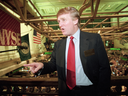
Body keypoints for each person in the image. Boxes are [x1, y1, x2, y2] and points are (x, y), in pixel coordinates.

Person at [24, 7, 111, 96]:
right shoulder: (59, 44)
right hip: (66, 92)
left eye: (63, 20)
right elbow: (53, 64)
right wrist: (42, 66)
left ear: (75, 21)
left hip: (90, 92)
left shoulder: (94, 39)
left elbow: (104, 68)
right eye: (59, 21)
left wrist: (102, 92)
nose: (60, 24)